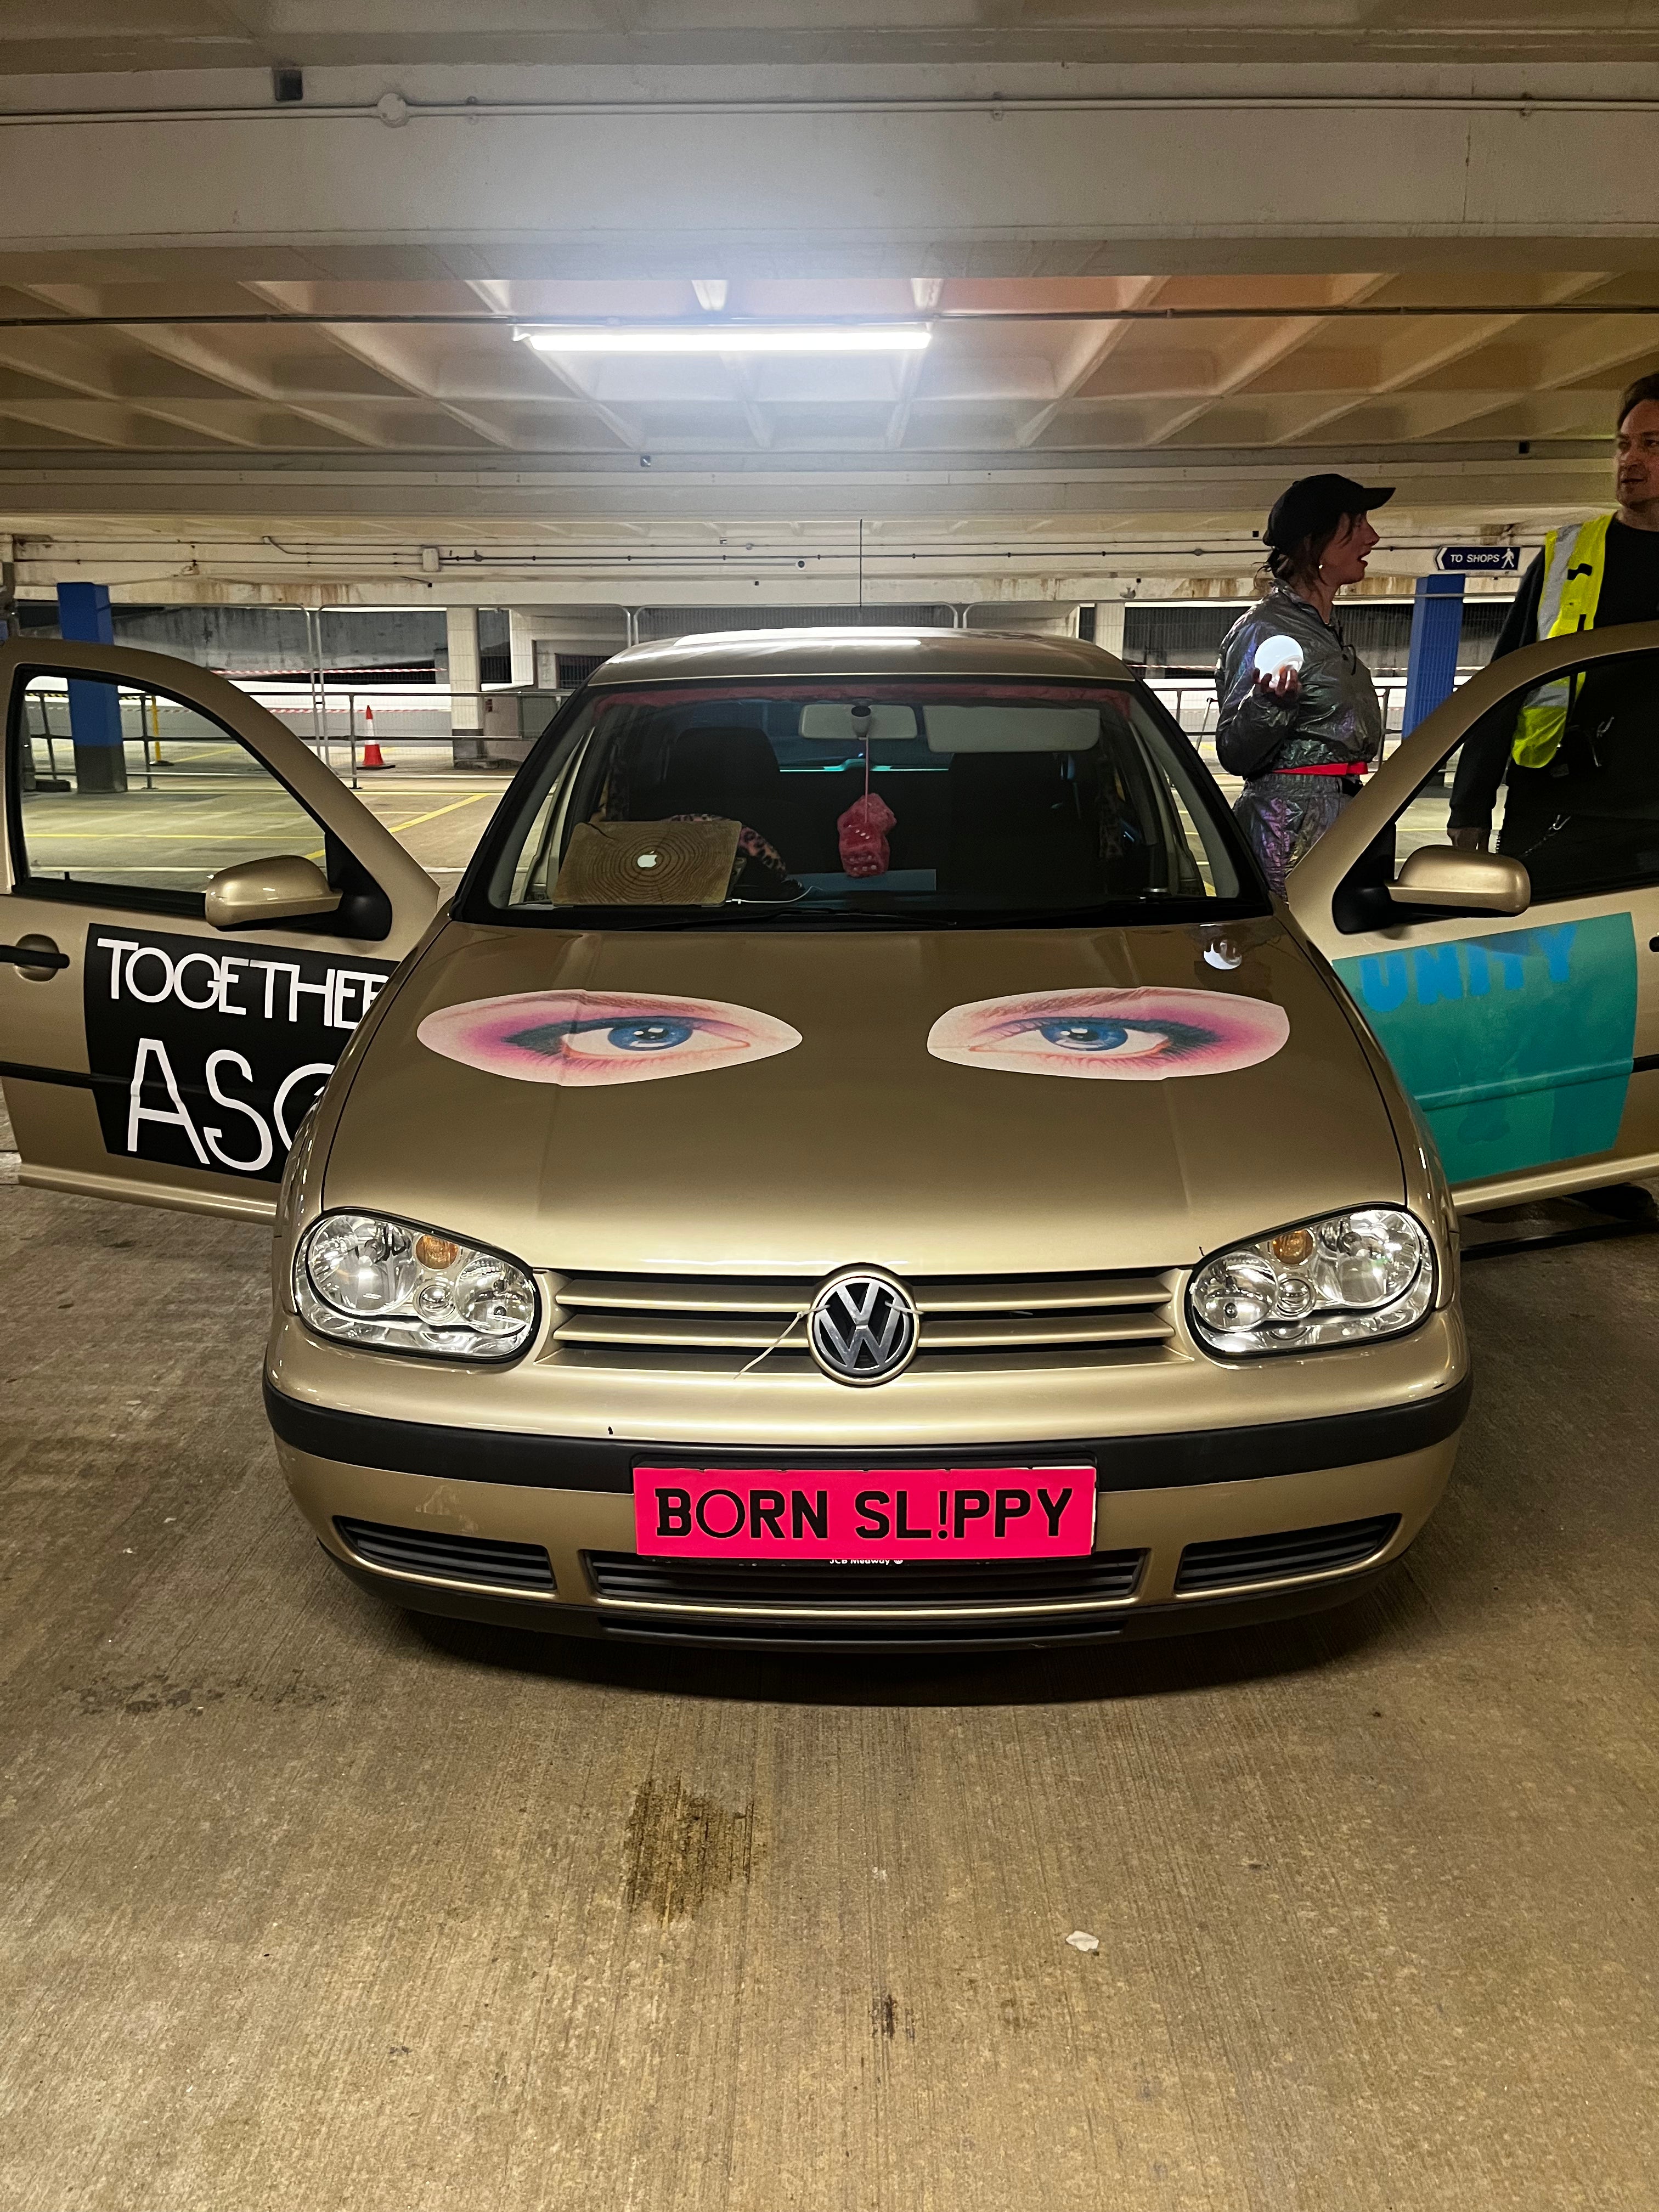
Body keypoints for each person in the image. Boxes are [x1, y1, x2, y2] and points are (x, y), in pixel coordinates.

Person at [1447, 373, 1659, 893]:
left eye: (1652, 445)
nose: (1630, 461)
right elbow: (1506, 679)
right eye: (1623, 445)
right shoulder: (1566, 557)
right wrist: (1471, 804)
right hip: (1559, 809)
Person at [1214, 473, 1392, 894]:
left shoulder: (1322, 628)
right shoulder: (1265, 628)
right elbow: (1235, 751)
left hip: (1336, 821)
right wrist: (1270, 704)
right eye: (1357, 525)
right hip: (1288, 831)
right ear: (1315, 543)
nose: (1372, 537)